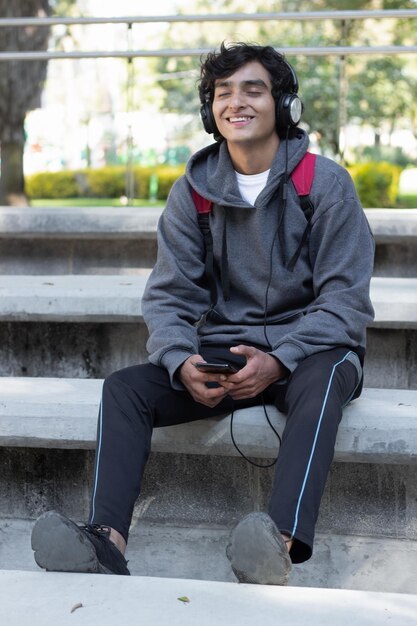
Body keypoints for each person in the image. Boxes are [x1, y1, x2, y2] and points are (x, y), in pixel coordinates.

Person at [31, 42, 374, 585]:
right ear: (209, 111)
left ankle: (276, 545)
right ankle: (106, 544)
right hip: (228, 353)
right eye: (223, 93)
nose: (236, 102)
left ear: (285, 105)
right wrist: (179, 359)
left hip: (311, 352)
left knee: (329, 372)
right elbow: (169, 296)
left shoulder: (324, 185)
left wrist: (280, 359)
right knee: (126, 387)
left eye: (253, 89)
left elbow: (345, 303)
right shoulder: (193, 192)